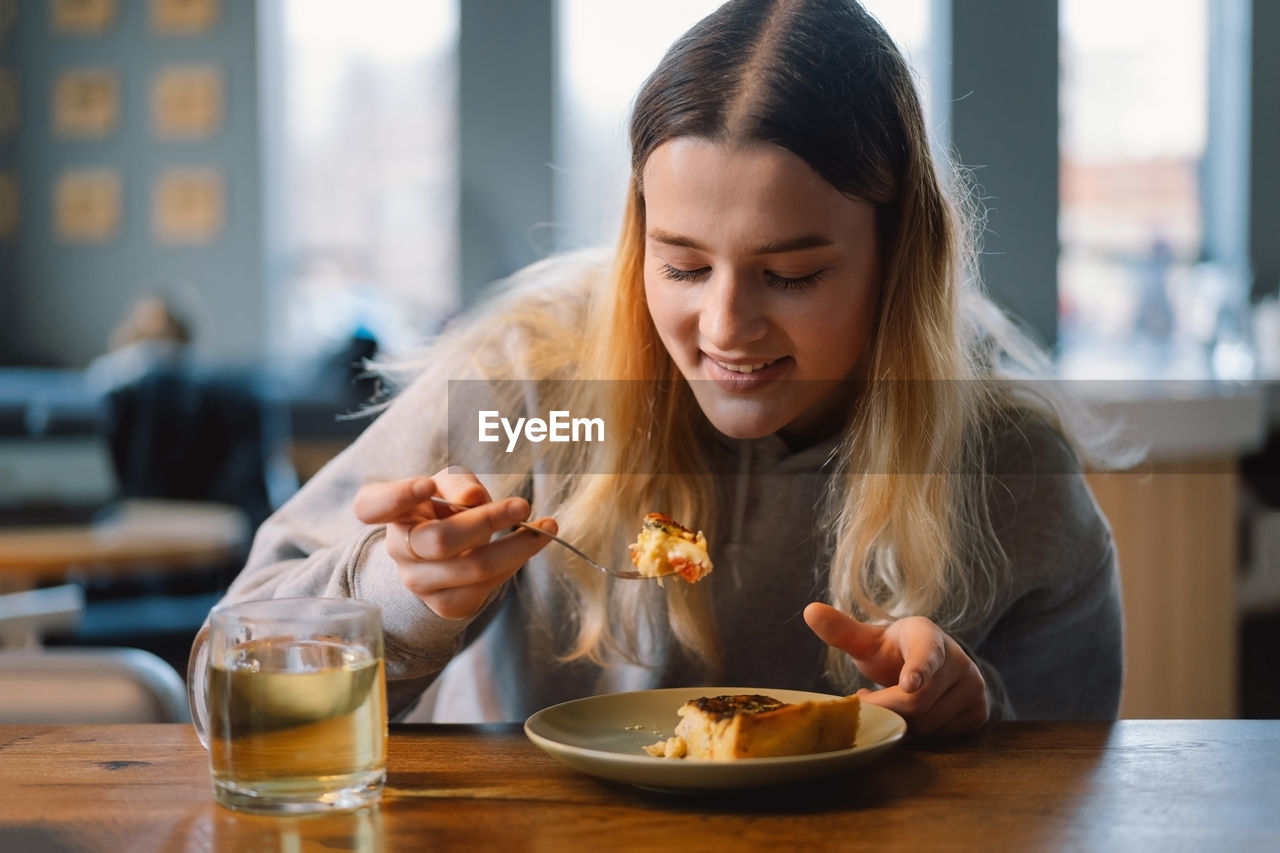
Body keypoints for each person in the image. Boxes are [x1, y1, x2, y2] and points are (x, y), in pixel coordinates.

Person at [219, 0, 1124, 736]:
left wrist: (978, 715)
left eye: (792, 274)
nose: (724, 326)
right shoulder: (534, 390)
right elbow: (229, 684)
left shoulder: (1001, 456)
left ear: (898, 256)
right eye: (683, 266)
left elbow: (1079, 770)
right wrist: (401, 590)